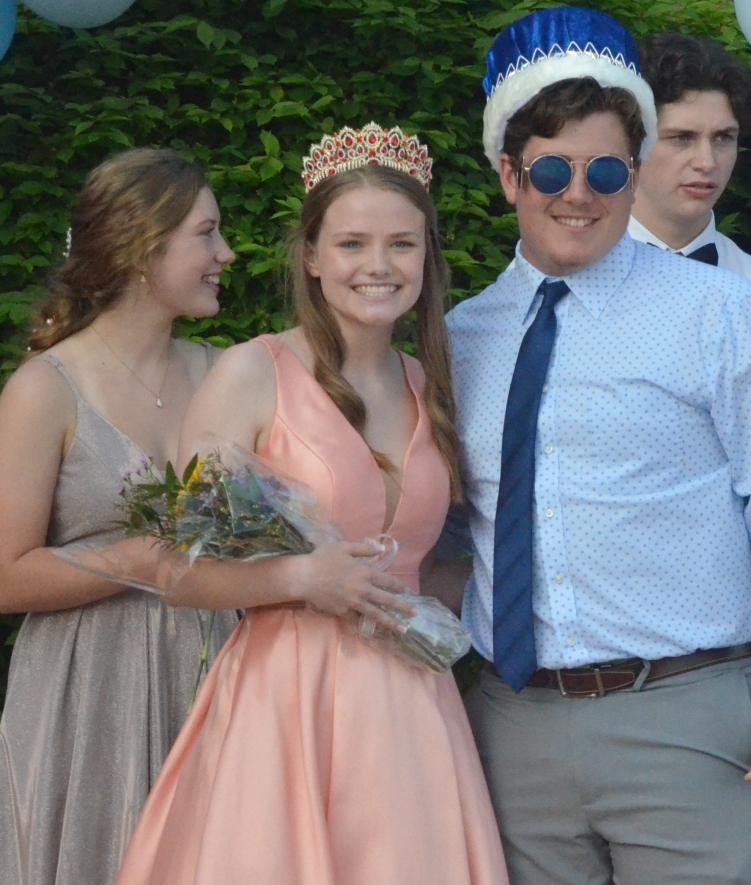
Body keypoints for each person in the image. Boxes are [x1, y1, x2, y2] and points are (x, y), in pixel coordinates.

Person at [446, 7, 751, 885]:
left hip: (689, 716)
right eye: (552, 167)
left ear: (633, 176)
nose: (578, 192)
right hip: (510, 729)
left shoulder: (726, 315)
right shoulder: (460, 338)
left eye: (606, 169)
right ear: (508, 175)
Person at [113, 123, 509, 885]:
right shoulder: (251, 372)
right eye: (353, 243)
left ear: (427, 256)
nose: (379, 265)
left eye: (402, 244)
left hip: (413, 709)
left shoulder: (433, 386)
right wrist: (302, 580)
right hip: (284, 703)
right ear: (312, 256)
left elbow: (433, 566)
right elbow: (176, 570)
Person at [0, 148, 240, 885]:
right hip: (88, 697)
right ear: (143, 247)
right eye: (207, 234)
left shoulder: (222, 373)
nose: (226, 254)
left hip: (217, 680)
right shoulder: (46, 389)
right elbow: (6, 575)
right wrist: (130, 562)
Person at [628, 31, 751, 373]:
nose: (707, 162)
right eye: (681, 138)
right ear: (630, 145)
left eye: (724, 138)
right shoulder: (568, 274)